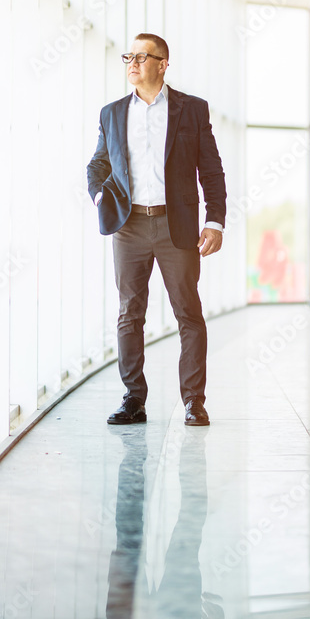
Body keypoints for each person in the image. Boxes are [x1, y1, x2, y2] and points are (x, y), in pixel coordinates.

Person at [86, 33, 226, 427]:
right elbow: (98, 165)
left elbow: (211, 171)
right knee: (130, 314)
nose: (133, 62)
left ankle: (193, 402)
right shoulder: (111, 113)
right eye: (129, 56)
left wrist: (215, 220)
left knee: (188, 313)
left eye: (143, 57)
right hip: (128, 227)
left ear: (163, 64)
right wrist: (101, 199)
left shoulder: (192, 110)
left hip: (175, 225)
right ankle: (133, 399)